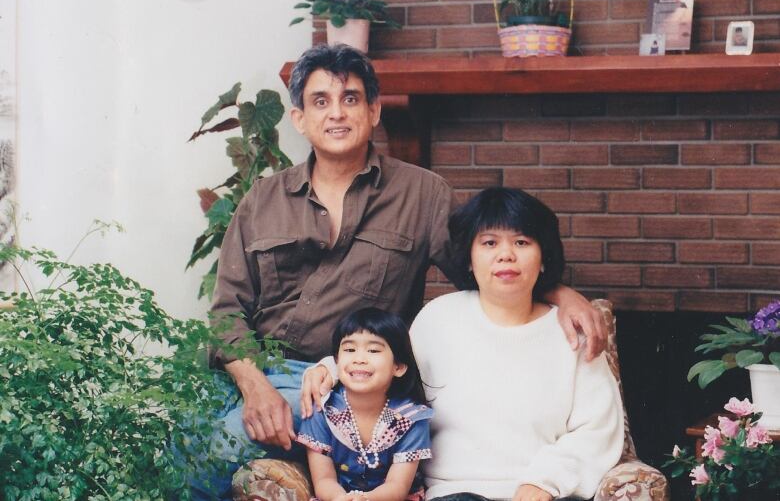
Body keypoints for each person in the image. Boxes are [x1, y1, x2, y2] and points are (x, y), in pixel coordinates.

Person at [193, 44, 608, 500]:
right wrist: (254, 386)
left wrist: (562, 293)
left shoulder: (422, 194)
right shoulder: (262, 200)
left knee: (213, 449)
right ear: (299, 119)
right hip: (253, 372)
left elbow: (487, 268)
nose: (337, 113)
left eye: (351, 99)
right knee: (175, 439)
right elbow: (226, 313)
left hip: (345, 380)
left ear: (373, 112)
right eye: (321, 101)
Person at [410, 187, 624, 501]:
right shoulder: (438, 319)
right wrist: (332, 369)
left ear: (543, 260)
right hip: (455, 493)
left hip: (546, 494)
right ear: (468, 259)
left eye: (521, 242)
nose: (506, 254)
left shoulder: (572, 332)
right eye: (489, 243)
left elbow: (598, 429)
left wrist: (544, 482)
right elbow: (387, 378)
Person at [296, 308, 432, 501]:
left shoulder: (410, 418)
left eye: (373, 350)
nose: (359, 359)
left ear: (399, 367)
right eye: (350, 350)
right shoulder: (323, 410)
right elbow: (324, 480)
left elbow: (397, 486)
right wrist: (340, 499)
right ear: (336, 361)